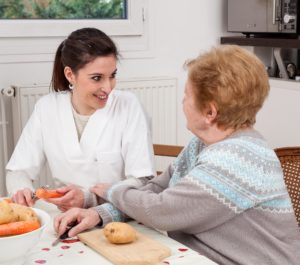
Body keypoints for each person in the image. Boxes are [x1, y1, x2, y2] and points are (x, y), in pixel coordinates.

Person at [54, 45, 300, 264]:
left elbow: (162, 211)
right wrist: (100, 213)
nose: (182, 101)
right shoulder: (205, 143)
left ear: (210, 112)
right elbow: (158, 188)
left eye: (187, 95)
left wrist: (109, 191)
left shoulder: (237, 159)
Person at [6, 27, 156, 211]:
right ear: (70, 75)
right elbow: (18, 170)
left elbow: (143, 181)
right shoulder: (47, 108)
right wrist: (22, 189)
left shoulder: (129, 106)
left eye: (112, 76)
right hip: (62, 215)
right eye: (97, 78)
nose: (108, 88)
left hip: (114, 214)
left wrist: (88, 198)